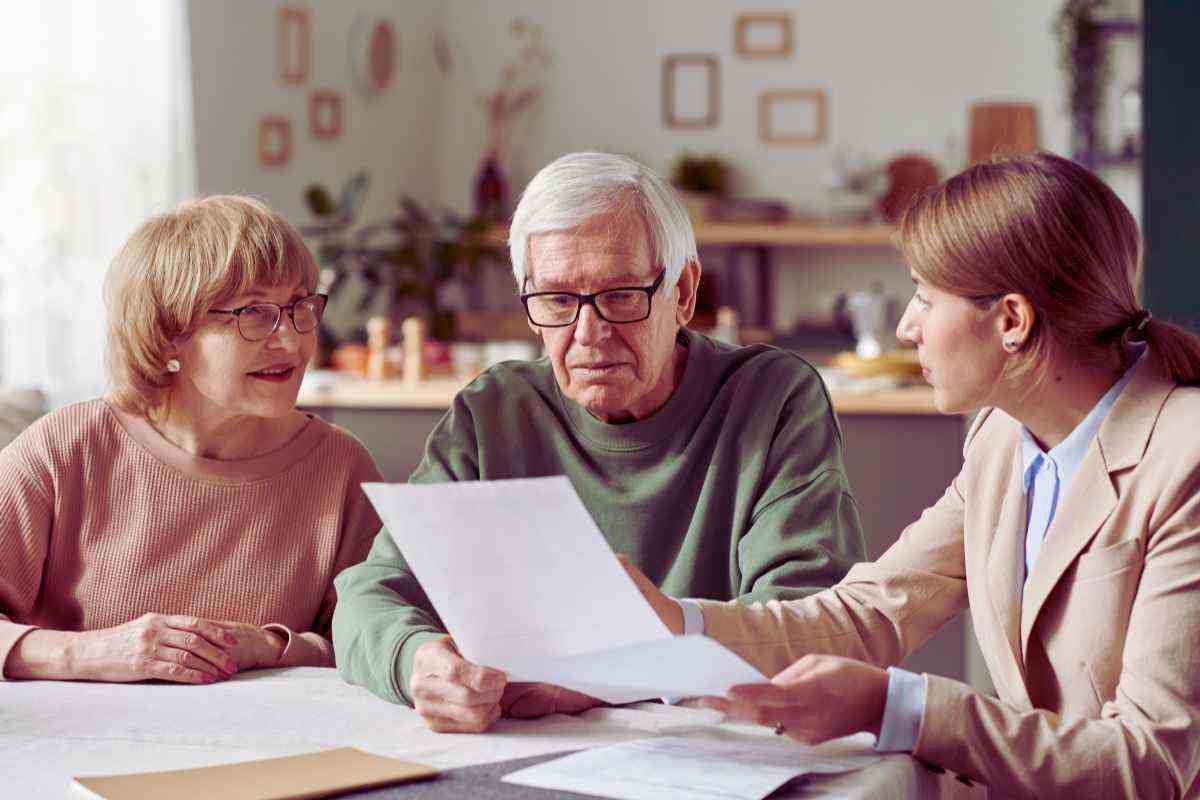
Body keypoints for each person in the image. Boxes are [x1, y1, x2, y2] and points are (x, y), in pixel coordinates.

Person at [624, 152, 1200, 798]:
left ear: (1011, 321)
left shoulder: (1186, 457)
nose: (905, 327)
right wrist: (677, 625)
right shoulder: (1002, 439)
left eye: (925, 297)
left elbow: (1150, 765)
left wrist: (903, 707)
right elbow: (870, 612)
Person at [333, 152, 867, 732]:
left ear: (684, 292)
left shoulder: (773, 398)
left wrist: (605, 681)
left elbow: (806, 626)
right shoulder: (493, 412)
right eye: (558, 301)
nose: (589, 334)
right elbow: (368, 598)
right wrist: (416, 662)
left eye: (620, 295)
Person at [0, 195, 383, 684]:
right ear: (168, 332)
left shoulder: (341, 465)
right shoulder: (67, 447)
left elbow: (376, 641)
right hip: (82, 747)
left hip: (274, 748)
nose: (292, 341)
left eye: (298, 306)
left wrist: (269, 646)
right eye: (255, 313)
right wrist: (90, 652)